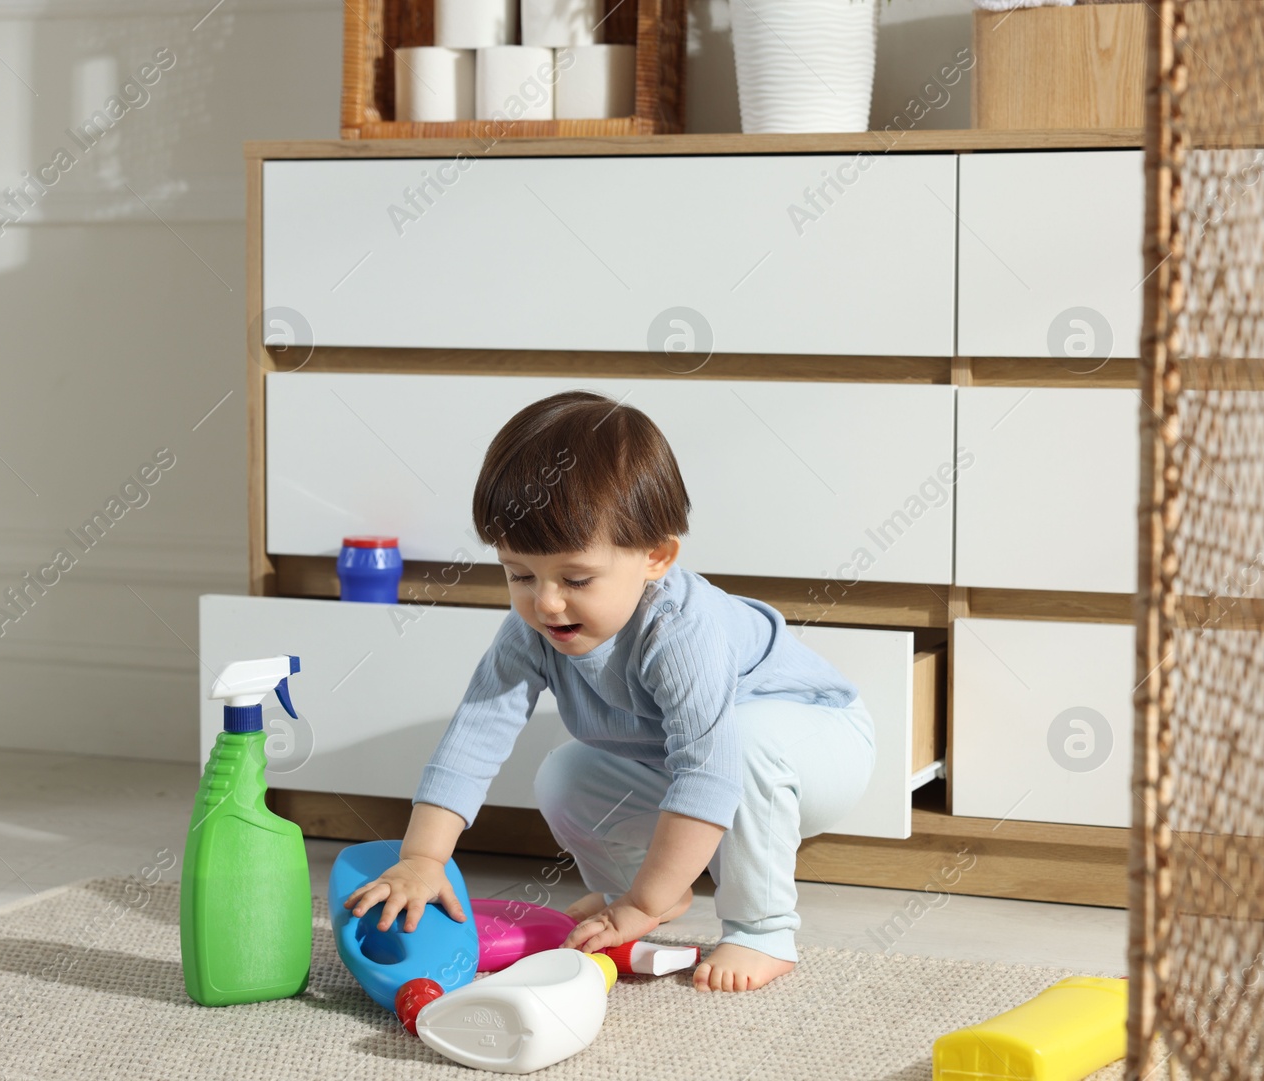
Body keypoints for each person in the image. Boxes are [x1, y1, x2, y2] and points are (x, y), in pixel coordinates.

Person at [342, 389, 876, 992]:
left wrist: (643, 907)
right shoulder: (533, 630)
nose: (545, 601)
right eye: (519, 574)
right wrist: (423, 858)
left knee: (742, 743)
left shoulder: (680, 632)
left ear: (656, 557)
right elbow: (474, 736)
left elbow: (710, 772)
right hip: (692, 766)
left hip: (817, 745)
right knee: (566, 772)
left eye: (575, 578)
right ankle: (635, 888)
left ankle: (761, 928)